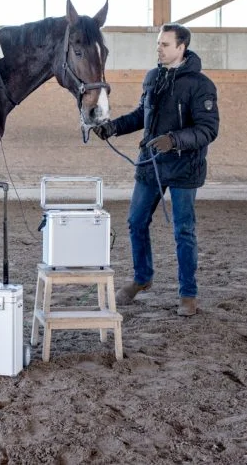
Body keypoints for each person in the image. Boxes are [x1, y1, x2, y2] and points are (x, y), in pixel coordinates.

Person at [94, 23, 219, 317]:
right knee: (136, 221)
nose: (159, 49)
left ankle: (188, 293)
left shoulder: (201, 86)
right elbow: (142, 115)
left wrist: (174, 140)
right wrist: (114, 127)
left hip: (184, 168)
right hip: (150, 165)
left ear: (181, 47)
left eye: (165, 44)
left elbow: (207, 129)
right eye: (158, 44)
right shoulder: (153, 78)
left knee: (183, 230)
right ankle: (142, 277)